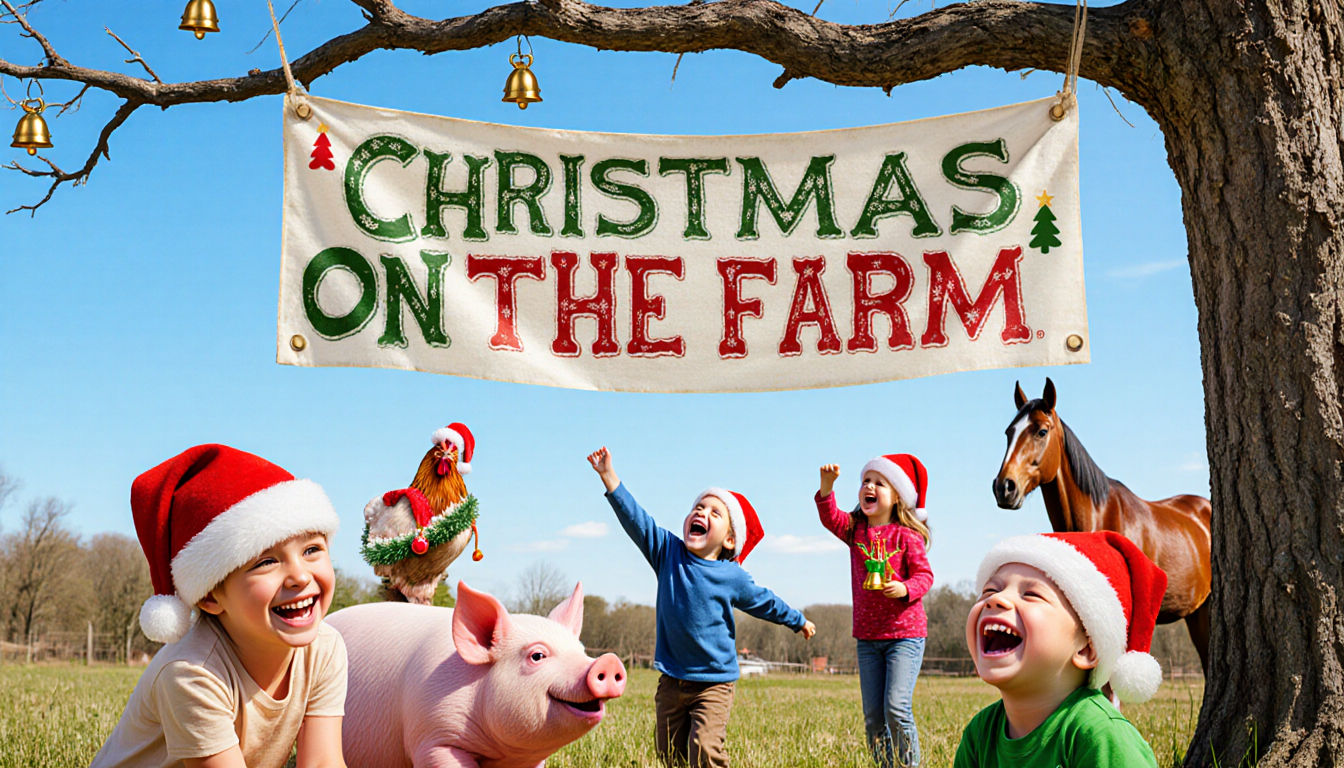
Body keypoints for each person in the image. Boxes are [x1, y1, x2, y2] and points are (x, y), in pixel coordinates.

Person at [91, 444, 348, 768]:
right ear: (210, 597)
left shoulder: (324, 649)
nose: (299, 575)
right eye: (266, 562)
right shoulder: (192, 673)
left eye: (312, 549)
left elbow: (323, 761)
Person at [587, 446, 815, 768]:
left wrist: (797, 620)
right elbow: (638, 522)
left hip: (713, 683)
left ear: (730, 541)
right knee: (668, 754)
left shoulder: (731, 576)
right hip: (671, 679)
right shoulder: (668, 554)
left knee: (705, 750)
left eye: (714, 513)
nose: (701, 513)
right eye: (698, 506)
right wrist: (610, 477)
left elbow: (765, 602)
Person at [955, 531, 1167, 768]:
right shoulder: (980, 733)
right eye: (990, 591)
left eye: (1031, 594)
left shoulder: (1100, 735)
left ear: (1086, 650)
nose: (997, 600)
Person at [816, 454, 934, 768]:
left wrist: (905, 588)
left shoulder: (907, 535)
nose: (869, 486)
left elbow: (925, 576)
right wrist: (827, 489)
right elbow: (831, 519)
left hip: (904, 637)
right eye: (866, 481)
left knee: (896, 708)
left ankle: (909, 765)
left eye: (879, 482)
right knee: (873, 717)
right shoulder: (856, 531)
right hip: (867, 640)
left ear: (897, 496)